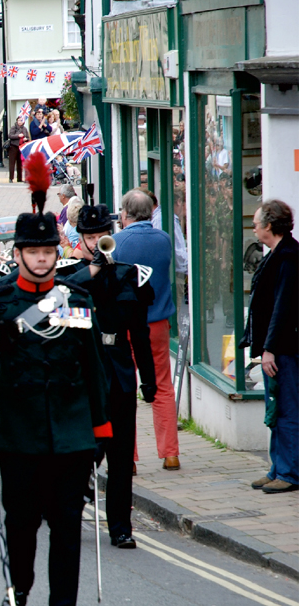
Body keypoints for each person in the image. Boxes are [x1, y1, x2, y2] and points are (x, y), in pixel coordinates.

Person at [0, 208, 110, 606]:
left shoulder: (75, 297)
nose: (43, 259)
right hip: (20, 431)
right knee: (23, 524)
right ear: (20, 253)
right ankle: (20, 587)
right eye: (34, 251)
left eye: (49, 251)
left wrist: (101, 426)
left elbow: (92, 366)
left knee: (68, 527)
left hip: (70, 430)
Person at [57, 204, 156, 548]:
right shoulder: (70, 274)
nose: (97, 241)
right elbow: (57, 302)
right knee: (84, 447)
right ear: (80, 239)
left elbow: (140, 334)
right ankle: (69, 497)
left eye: (102, 236)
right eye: (90, 236)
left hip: (119, 371)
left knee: (121, 453)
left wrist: (149, 379)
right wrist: (93, 273)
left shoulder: (129, 274)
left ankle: (121, 527)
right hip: (84, 373)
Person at [112, 189, 180, 469]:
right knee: (162, 386)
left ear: (125, 214)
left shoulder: (115, 242)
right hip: (157, 323)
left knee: (125, 388)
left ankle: (130, 457)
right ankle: (171, 453)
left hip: (126, 324)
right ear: (152, 212)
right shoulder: (164, 239)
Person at [242, 200, 297, 494]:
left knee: (286, 410)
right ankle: (277, 467)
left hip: (284, 350)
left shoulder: (288, 257)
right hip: (276, 347)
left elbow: (283, 308)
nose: (254, 227)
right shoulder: (276, 254)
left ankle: (289, 472)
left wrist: (270, 349)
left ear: (270, 225)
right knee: (276, 410)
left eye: (257, 222)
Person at [7, 117, 27, 182]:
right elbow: (10, 135)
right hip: (13, 146)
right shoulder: (13, 128)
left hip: (21, 147)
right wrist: (18, 136)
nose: (20, 122)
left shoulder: (24, 129)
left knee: (20, 163)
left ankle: (19, 178)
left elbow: (28, 137)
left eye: (21, 120)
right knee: (12, 163)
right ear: (17, 121)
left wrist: (26, 139)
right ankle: (11, 178)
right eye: (19, 120)